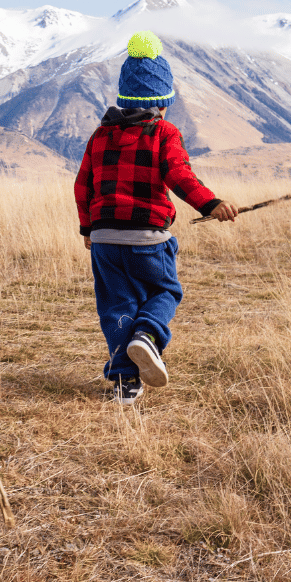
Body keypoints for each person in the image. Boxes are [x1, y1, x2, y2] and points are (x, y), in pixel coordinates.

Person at [74, 30, 237, 405]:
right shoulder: (163, 131)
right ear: (162, 103)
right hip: (147, 238)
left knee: (116, 305)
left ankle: (125, 384)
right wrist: (211, 204)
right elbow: (179, 175)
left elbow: (83, 184)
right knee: (165, 291)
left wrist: (88, 227)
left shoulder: (100, 135)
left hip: (103, 240)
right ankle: (146, 336)